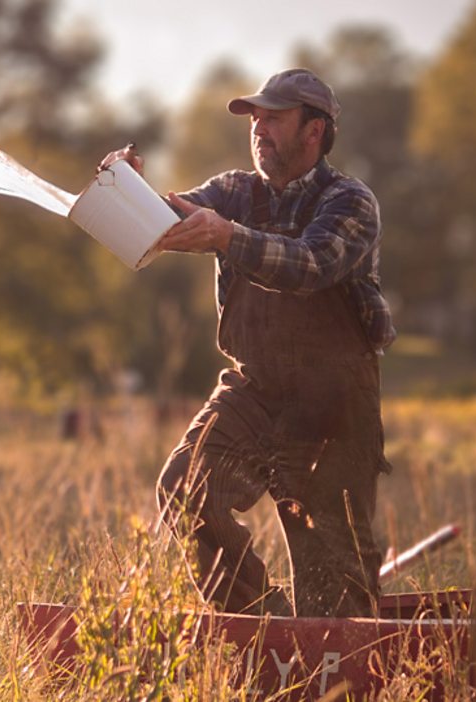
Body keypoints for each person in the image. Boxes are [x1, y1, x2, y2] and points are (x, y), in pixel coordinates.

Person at [101, 69, 395, 617]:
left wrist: (228, 236)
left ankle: (333, 654)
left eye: (274, 118)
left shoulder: (353, 202)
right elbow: (160, 223)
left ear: (315, 131)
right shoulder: (233, 190)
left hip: (334, 405)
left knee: (335, 593)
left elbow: (312, 265)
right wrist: (127, 188)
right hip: (254, 389)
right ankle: (263, 625)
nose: (258, 128)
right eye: (254, 118)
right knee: (185, 491)